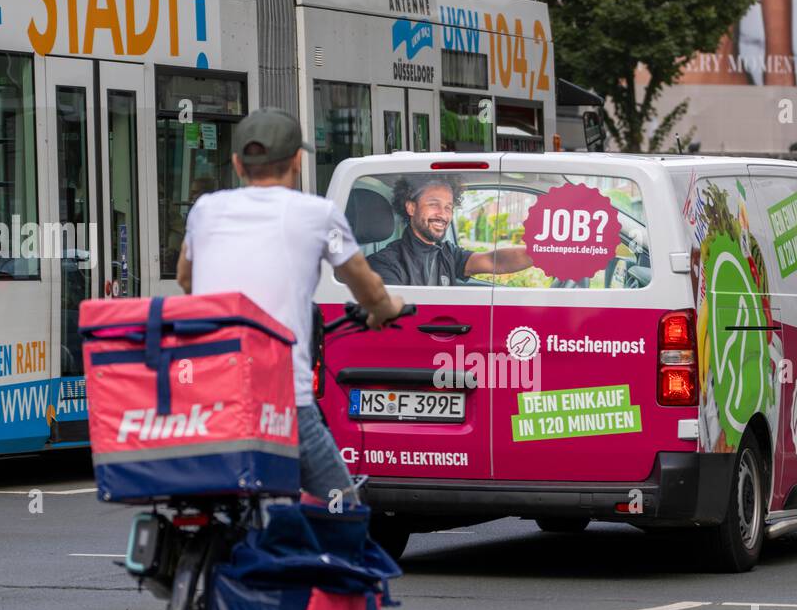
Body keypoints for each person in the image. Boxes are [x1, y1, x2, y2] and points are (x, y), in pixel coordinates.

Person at [177, 107, 404, 499]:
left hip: (209, 396)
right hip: (282, 401)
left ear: (236, 163)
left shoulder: (205, 209)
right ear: (297, 161)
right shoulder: (317, 214)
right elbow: (366, 288)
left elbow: (185, 277)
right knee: (341, 506)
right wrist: (386, 309)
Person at [367, 174, 533, 286]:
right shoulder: (383, 264)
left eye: (448, 207)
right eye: (433, 204)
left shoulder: (447, 254)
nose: (442, 214)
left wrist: (543, 252)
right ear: (411, 208)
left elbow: (494, 261)